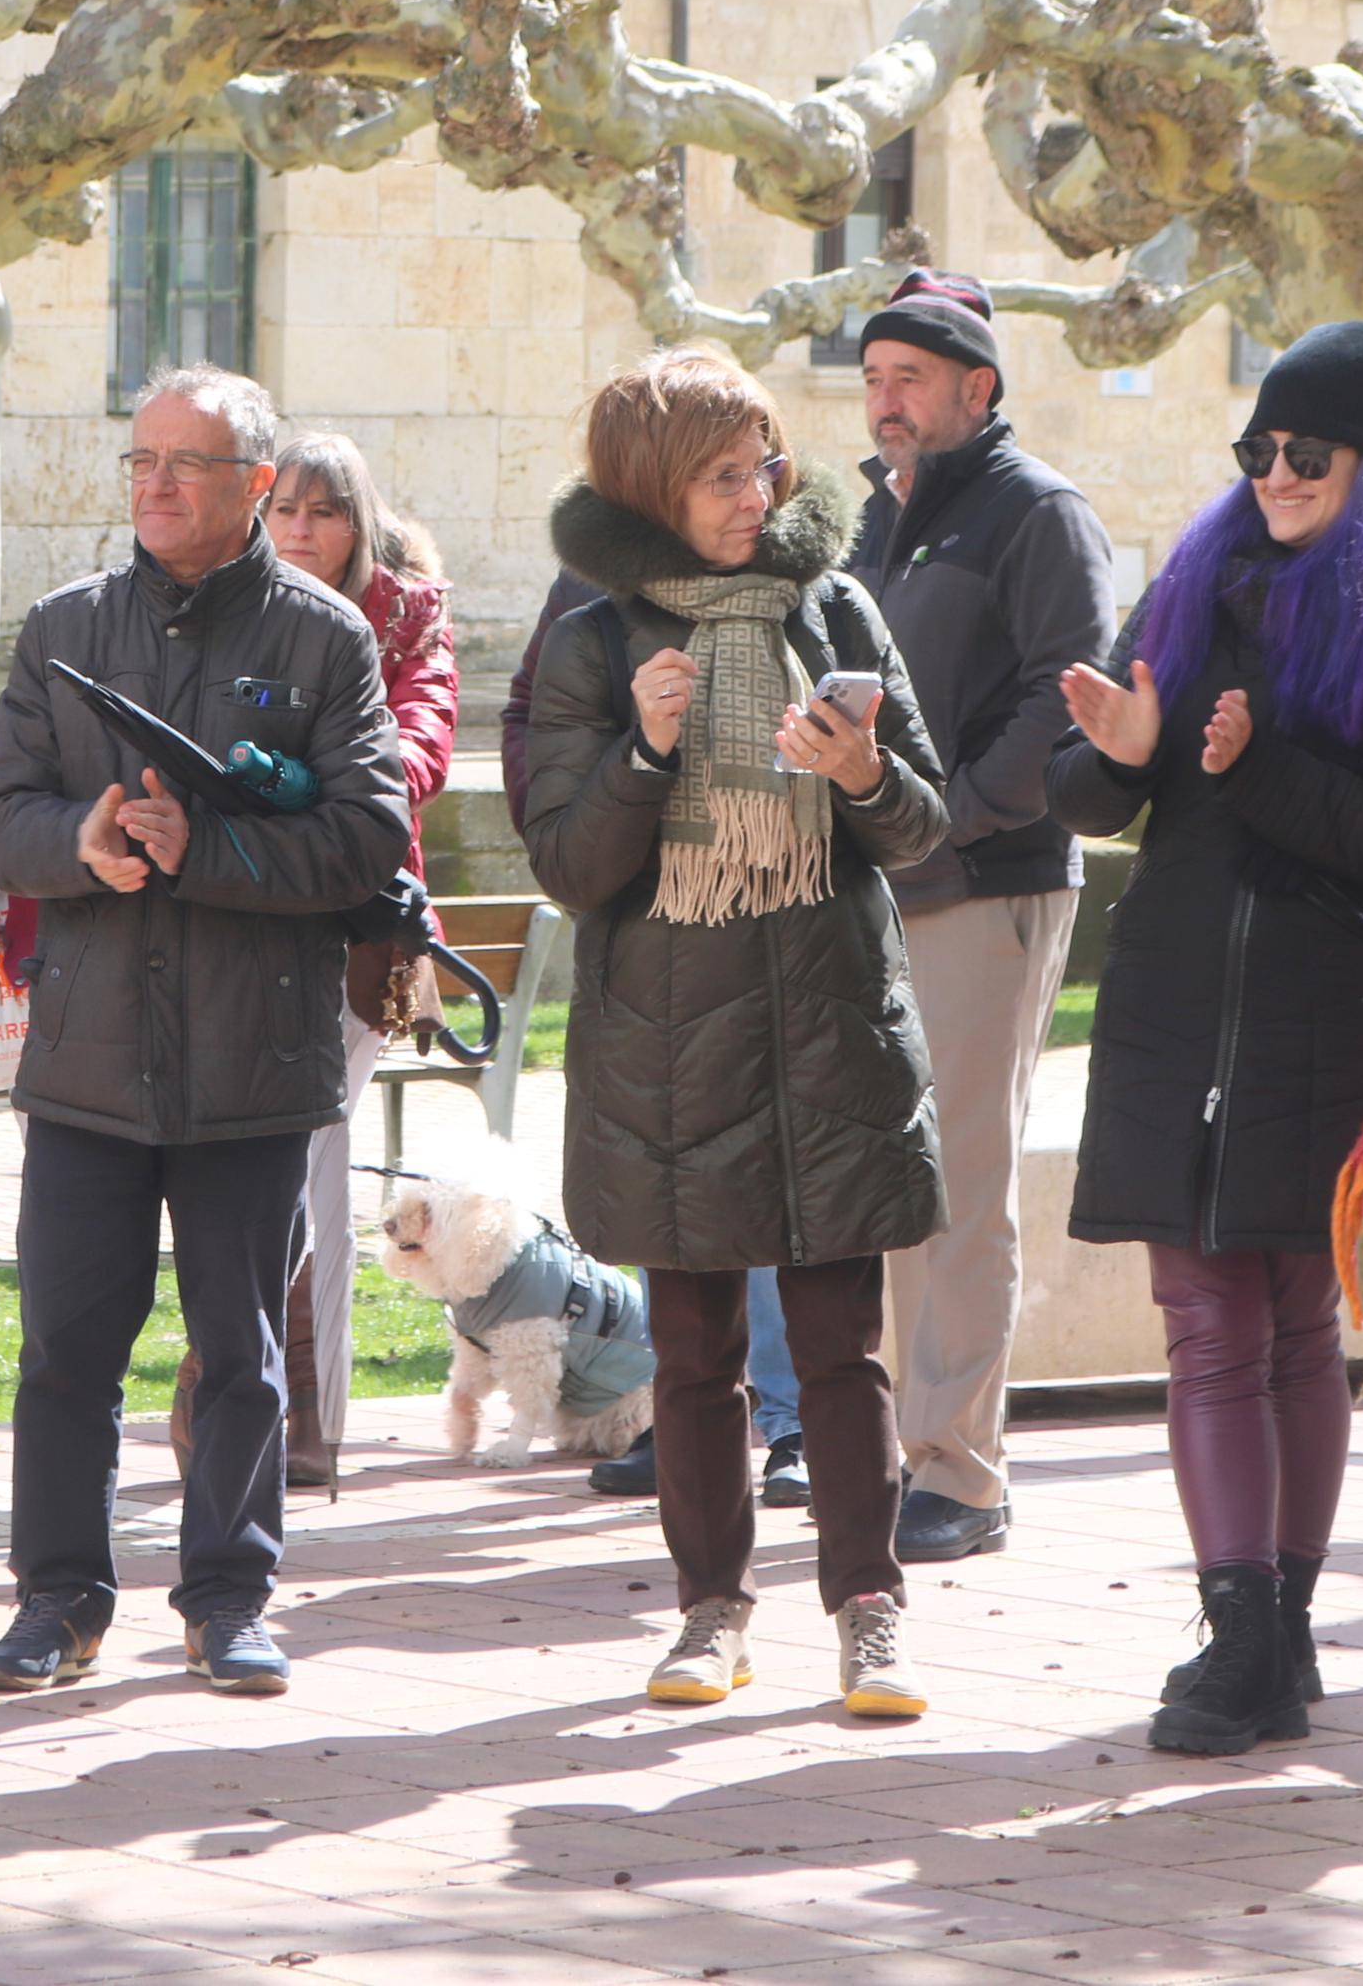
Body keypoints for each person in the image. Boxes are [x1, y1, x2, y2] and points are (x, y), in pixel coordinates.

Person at [1048, 319, 1363, 1755]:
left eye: (1307, 451)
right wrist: (1113, 756)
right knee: (1201, 1316)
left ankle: (1278, 1630)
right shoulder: (1187, 581)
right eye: (1258, 449)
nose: (1278, 473)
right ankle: (1240, 1629)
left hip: (1327, 995)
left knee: (1296, 1314)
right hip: (1176, 992)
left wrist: (1254, 766)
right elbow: (1095, 792)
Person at [0, 366, 412, 1697]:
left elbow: (370, 836)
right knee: (62, 1352)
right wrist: (81, 841)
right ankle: (55, 1599)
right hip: (89, 1061)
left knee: (238, 1351)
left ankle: (226, 1599)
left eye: (185, 464)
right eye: (138, 460)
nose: (153, 484)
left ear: (254, 487)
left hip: (253, 1063)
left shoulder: (325, 640)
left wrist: (201, 846)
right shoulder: (58, 629)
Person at [517, 348, 951, 1717]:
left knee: (837, 1344)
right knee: (693, 1354)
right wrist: (640, 756)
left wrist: (860, 771)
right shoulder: (588, 635)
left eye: (763, 463)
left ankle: (866, 1609)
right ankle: (708, 1610)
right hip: (667, 1046)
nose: (755, 492)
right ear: (652, 486)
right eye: (721, 473)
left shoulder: (833, 606)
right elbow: (568, 865)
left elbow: (924, 825)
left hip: (825, 1030)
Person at [850, 268, 1116, 1564]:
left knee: (957, 1183)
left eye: (908, 378)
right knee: (888, 1181)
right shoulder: (876, 515)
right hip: (869, 887)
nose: (884, 400)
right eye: (871, 377)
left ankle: (959, 1469)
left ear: (976, 387)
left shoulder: (1035, 512)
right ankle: (892, 1443)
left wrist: (939, 813)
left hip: (984, 884)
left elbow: (1065, 693)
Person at [498, 588, 810, 1514]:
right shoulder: (589, 597)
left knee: (769, 1192)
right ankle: (679, 1420)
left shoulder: (794, 584)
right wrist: (584, 795)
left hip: (779, 925)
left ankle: (790, 1424)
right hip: (648, 930)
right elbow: (529, 714)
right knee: (667, 1191)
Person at [220, 429, 456, 1490]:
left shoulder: (403, 617)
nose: (302, 531)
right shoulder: (224, 607)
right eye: (286, 512)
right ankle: (230, 1387)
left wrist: (311, 775)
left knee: (311, 1166)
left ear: (360, 526)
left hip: (358, 938)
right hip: (227, 925)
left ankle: (305, 1424)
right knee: (231, 1175)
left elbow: (422, 749)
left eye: (326, 513)